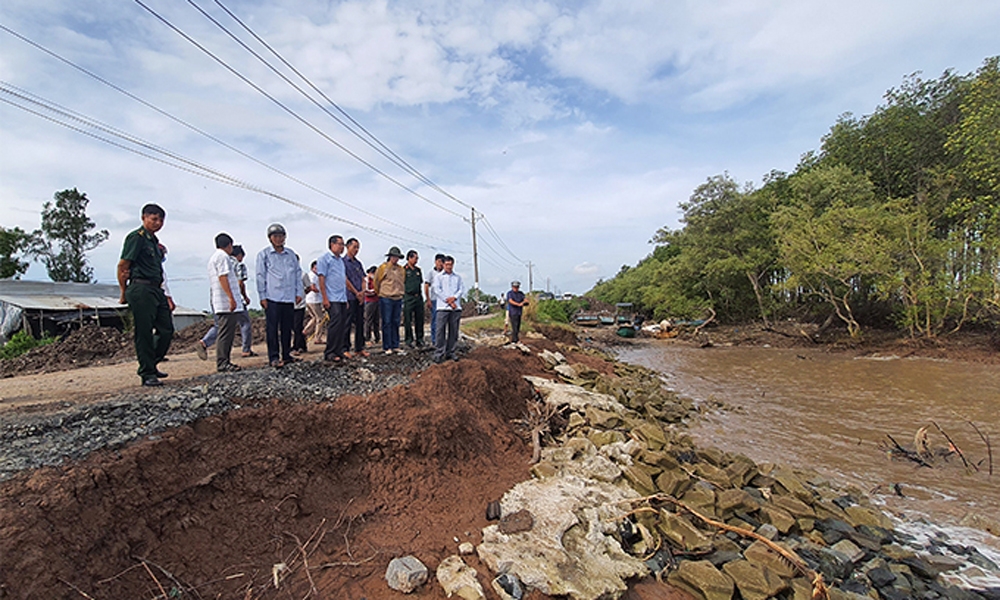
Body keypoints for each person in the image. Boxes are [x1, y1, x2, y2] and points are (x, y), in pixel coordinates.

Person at [117, 203, 173, 387]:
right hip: (141, 289)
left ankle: (151, 363)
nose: (158, 223)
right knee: (144, 332)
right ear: (144, 218)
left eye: (160, 219)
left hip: (156, 289)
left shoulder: (154, 243)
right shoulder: (136, 238)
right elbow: (123, 266)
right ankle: (147, 373)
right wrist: (123, 292)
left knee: (166, 330)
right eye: (153, 218)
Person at [196, 245, 255, 359]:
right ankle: (246, 349)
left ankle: (204, 342)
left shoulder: (215, 260)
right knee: (245, 323)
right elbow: (240, 283)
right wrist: (244, 297)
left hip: (216, 299)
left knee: (220, 325)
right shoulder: (238, 264)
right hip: (234, 299)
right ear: (239, 255)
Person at [256, 223, 302, 368]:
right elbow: (260, 276)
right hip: (273, 297)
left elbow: (297, 273)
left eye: (281, 236)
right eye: (275, 236)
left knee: (287, 328)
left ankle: (286, 355)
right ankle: (274, 357)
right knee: (272, 329)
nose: (279, 239)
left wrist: (299, 292)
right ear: (270, 238)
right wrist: (262, 296)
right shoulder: (264, 255)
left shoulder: (291, 255)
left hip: (288, 297)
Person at [208, 232, 243, 372]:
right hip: (225, 302)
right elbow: (223, 277)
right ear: (229, 245)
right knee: (226, 333)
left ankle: (224, 360)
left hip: (220, 300)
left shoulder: (214, 257)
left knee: (225, 331)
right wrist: (231, 297)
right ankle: (223, 362)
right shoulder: (223, 257)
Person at [317, 234, 348, 363]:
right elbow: (321, 279)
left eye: (343, 245)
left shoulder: (340, 261)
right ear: (332, 245)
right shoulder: (324, 259)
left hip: (341, 297)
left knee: (342, 325)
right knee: (334, 325)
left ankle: (339, 350)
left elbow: (342, 280)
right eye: (340, 244)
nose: (342, 247)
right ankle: (330, 352)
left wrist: (345, 299)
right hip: (331, 297)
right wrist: (325, 298)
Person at [432, 255, 464, 363]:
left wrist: (454, 298)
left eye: (450, 264)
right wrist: (448, 300)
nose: (449, 267)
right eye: (446, 264)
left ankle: (451, 352)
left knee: (453, 331)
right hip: (442, 307)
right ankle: (439, 353)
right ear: (443, 264)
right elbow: (437, 290)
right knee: (440, 330)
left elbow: (461, 290)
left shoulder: (457, 278)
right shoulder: (438, 277)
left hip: (455, 308)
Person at [374, 246, 405, 354]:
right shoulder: (383, 268)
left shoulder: (401, 269)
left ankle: (395, 344)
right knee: (387, 322)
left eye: (397, 257)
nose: (395, 259)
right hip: (386, 297)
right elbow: (376, 282)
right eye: (394, 256)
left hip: (398, 297)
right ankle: (387, 346)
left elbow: (403, 281)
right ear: (390, 257)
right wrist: (380, 293)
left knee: (396, 322)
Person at [342, 237, 368, 357]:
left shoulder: (358, 263)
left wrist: (362, 292)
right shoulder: (343, 262)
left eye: (358, 247)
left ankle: (359, 347)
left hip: (360, 298)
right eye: (354, 247)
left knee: (360, 323)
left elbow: (363, 279)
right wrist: (356, 292)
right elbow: (345, 280)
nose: (356, 250)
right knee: (347, 323)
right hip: (349, 297)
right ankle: (345, 348)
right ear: (348, 247)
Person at [402, 249, 424, 349]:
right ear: (409, 258)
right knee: (408, 320)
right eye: (415, 258)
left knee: (419, 319)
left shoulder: (418, 270)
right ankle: (409, 340)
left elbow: (420, 283)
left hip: (418, 297)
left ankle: (420, 339)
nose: (416, 260)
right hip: (408, 297)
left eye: (417, 258)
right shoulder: (404, 270)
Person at [423, 254, 444, 345]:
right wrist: (428, 299)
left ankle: (441, 339)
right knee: (435, 320)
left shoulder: (445, 273)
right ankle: (435, 340)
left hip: (444, 301)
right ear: (435, 262)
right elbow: (426, 286)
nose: (440, 264)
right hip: (434, 300)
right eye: (439, 261)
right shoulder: (431, 273)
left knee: (443, 321)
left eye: (442, 262)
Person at [303, 260, 326, 344]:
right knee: (320, 318)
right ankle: (317, 337)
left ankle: (306, 331)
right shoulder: (313, 276)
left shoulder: (313, 275)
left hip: (310, 300)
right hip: (314, 300)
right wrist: (321, 291)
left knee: (314, 317)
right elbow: (312, 287)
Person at [292, 253, 308, 356]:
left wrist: (302, 295)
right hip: (289, 304)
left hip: (300, 305)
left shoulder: (303, 275)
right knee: (293, 327)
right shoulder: (287, 275)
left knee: (297, 326)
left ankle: (297, 347)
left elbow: (309, 287)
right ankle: (302, 344)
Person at [363, 266, 380, 344]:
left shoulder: (376, 281)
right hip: (369, 301)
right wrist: (374, 291)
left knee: (376, 320)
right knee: (368, 320)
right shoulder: (366, 280)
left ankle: (377, 338)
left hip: (377, 301)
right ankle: (367, 338)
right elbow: (365, 291)